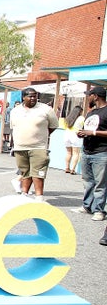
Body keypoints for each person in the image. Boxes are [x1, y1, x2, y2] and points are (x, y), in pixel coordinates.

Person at [10, 87, 59, 202]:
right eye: (30, 96)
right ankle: (24, 194)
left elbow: (53, 126)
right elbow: (14, 128)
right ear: (23, 97)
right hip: (20, 147)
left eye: (35, 96)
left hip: (38, 147)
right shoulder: (15, 111)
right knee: (25, 172)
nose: (33, 98)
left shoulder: (46, 109)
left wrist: (41, 136)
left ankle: (39, 197)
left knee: (38, 173)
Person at [73, 86, 107, 221]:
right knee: (88, 181)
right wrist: (82, 133)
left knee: (101, 183)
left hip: (102, 152)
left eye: (90, 95)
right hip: (87, 151)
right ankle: (87, 206)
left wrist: (93, 133)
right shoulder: (91, 112)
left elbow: (95, 131)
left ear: (96, 96)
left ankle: (99, 210)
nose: (88, 97)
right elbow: (87, 129)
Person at [63, 105, 84, 174]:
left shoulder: (69, 117)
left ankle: (67, 167)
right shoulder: (81, 118)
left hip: (67, 135)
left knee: (68, 152)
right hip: (75, 136)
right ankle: (73, 169)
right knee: (76, 153)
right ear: (80, 112)